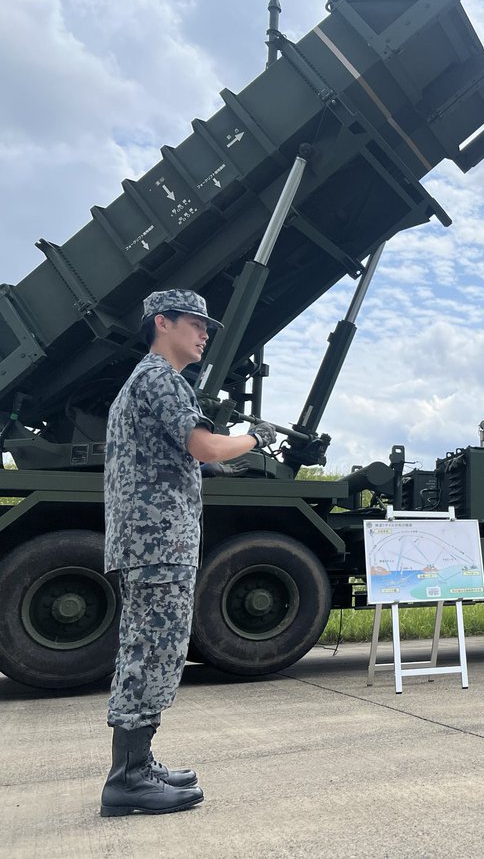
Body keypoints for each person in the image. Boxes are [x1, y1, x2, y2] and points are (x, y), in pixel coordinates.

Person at [101, 290, 277, 817]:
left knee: (150, 648)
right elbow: (203, 445)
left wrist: (209, 463)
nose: (205, 334)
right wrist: (253, 437)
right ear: (163, 322)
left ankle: (139, 763)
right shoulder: (161, 377)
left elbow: (181, 456)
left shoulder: (144, 380)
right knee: (153, 651)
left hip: (150, 541)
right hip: (158, 542)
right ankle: (128, 779)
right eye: (196, 324)